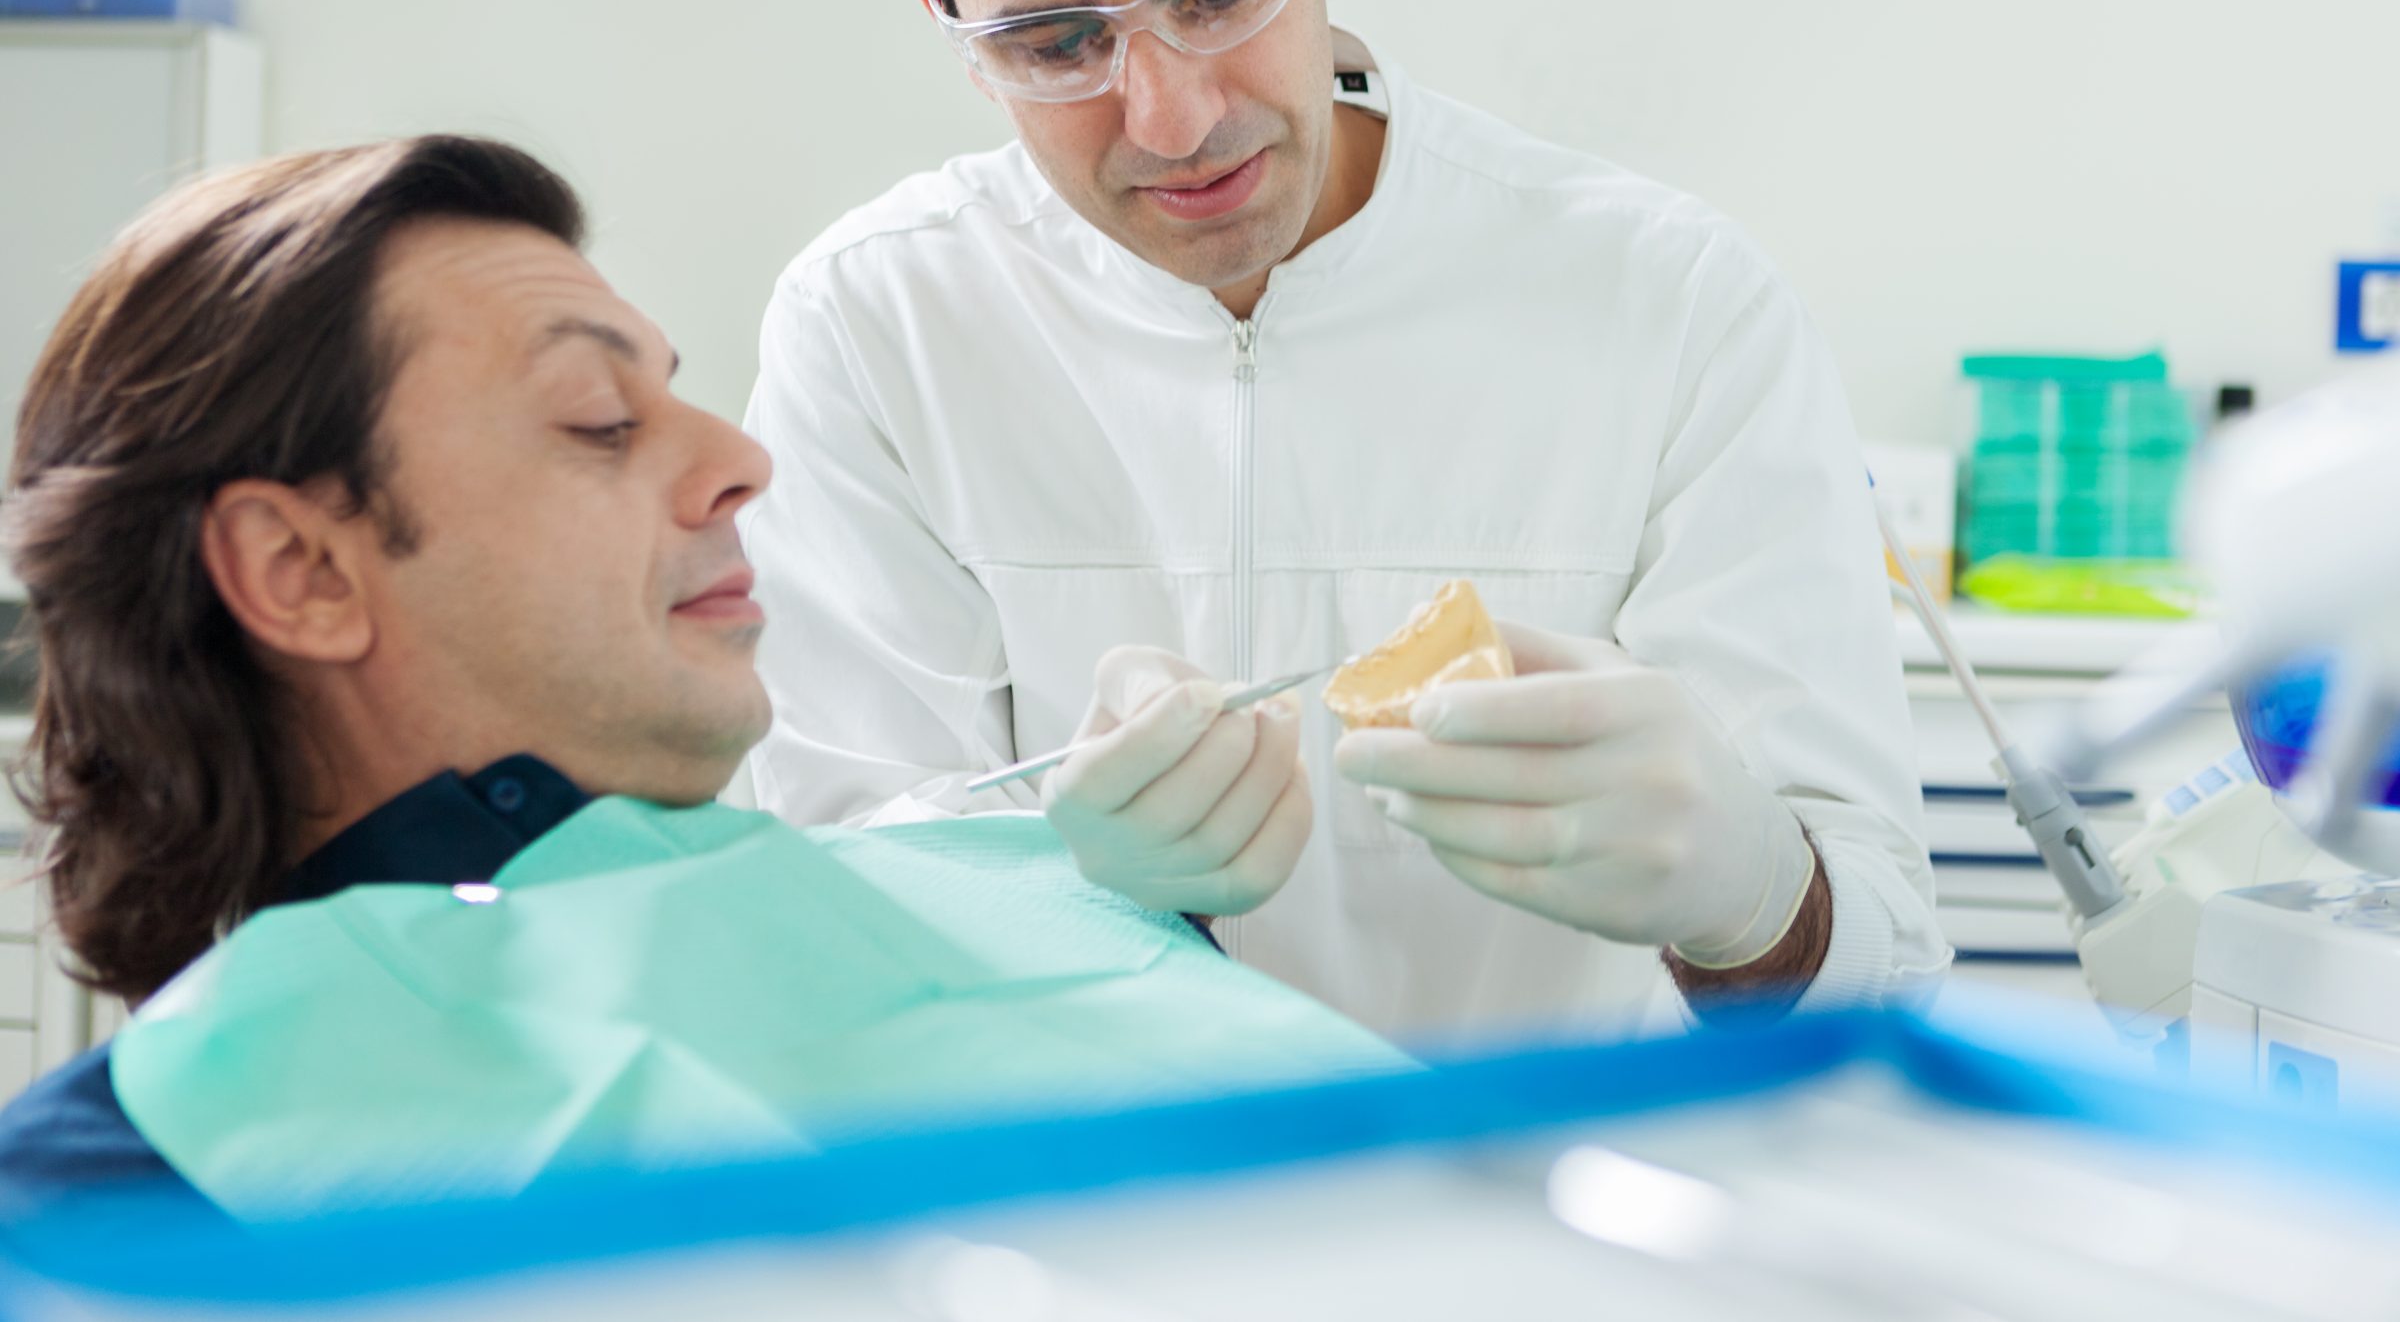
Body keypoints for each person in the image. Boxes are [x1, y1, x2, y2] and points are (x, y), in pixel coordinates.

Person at [739, 0, 1948, 1042]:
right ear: (947, 22)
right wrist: (1062, 886)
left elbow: (1886, 974)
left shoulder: (1672, 306)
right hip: (1099, 1225)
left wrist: (1752, 898)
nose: (1173, 118)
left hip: (1568, 1222)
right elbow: (842, 946)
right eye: (1059, 44)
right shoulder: (880, 329)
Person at [0, 137, 1395, 1219]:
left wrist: (1145, 905)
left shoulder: (1003, 880)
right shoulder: (132, 1183)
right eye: (602, 421)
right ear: (301, 570)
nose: (740, 460)